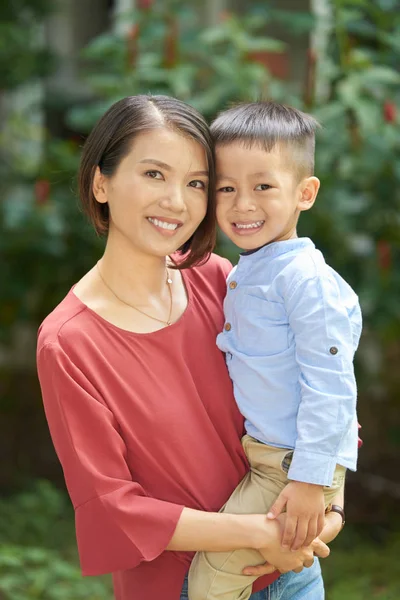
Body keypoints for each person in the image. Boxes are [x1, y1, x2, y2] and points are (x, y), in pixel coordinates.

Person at [36, 95, 341, 600]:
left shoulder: (223, 281)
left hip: (294, 572)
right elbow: (113, 506)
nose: (177, 201)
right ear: (101, 182)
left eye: (196, 183)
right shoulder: (69, 342)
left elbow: (321, 386)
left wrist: (325, 513)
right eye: (154, 174)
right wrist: (267, 534)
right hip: (178, 587)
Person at [188, 101, 362, 600]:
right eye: (227, 188)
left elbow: (331, 385)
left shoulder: (304, 280)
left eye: (263, 186)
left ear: (305, 193)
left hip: (293, 465)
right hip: (268, 459)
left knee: (211, 582)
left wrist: (310, 483)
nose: (243, 204)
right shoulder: (248, 269)